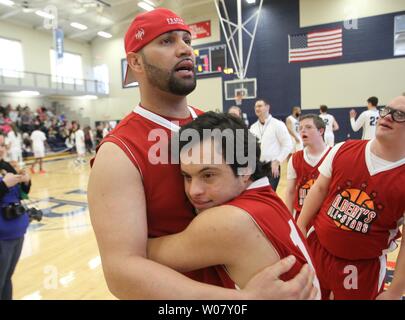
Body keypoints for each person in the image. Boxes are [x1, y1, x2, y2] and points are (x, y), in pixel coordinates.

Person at [88, 8, 315, 299]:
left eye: (186, 40)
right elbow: (121, 273)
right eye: (167, 41)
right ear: (135, 62)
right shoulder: (118, 153)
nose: (185, 49)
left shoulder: (213, 125)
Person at [147, 112, 320, 297]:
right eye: (187, 176)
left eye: (208, 175)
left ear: (245, 170)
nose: (193, 190)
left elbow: (134, 253)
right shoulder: (266, 197)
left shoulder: (227, 222)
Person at [297, 96, 405, 300]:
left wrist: (395, 291)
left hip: (362, 265)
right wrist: (300, 225)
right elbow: (319, 188)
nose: (388, 117)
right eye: (386, 110)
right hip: (318, 248)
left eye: (399, 115)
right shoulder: (343, 149)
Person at [0, 134, 31, 300]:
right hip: (2, 236)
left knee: (7, 278)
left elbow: (21, 194)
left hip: (17, 232)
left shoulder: (6, 165)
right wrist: (4, 185)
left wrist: (25, 182)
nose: (1, 149)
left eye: (3, 145)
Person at [285, 114, 330, 221]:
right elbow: (290, 191)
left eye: (308, 127)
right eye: (300, 128)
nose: (302, 131)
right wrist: (288, 220)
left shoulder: (334, 155)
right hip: (301, 214)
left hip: (326, 215)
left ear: (321, 131)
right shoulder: (295, 158)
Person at [249, 99, 292, 191]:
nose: (257, 108)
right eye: (256, 106)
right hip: (257, 168)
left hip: (272, 166)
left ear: (267, 107)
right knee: (258, 196)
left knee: (269, 194)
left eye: (260, 106)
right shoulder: (253, 128)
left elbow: (288, 145)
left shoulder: (278, 124)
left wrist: (277, 161)